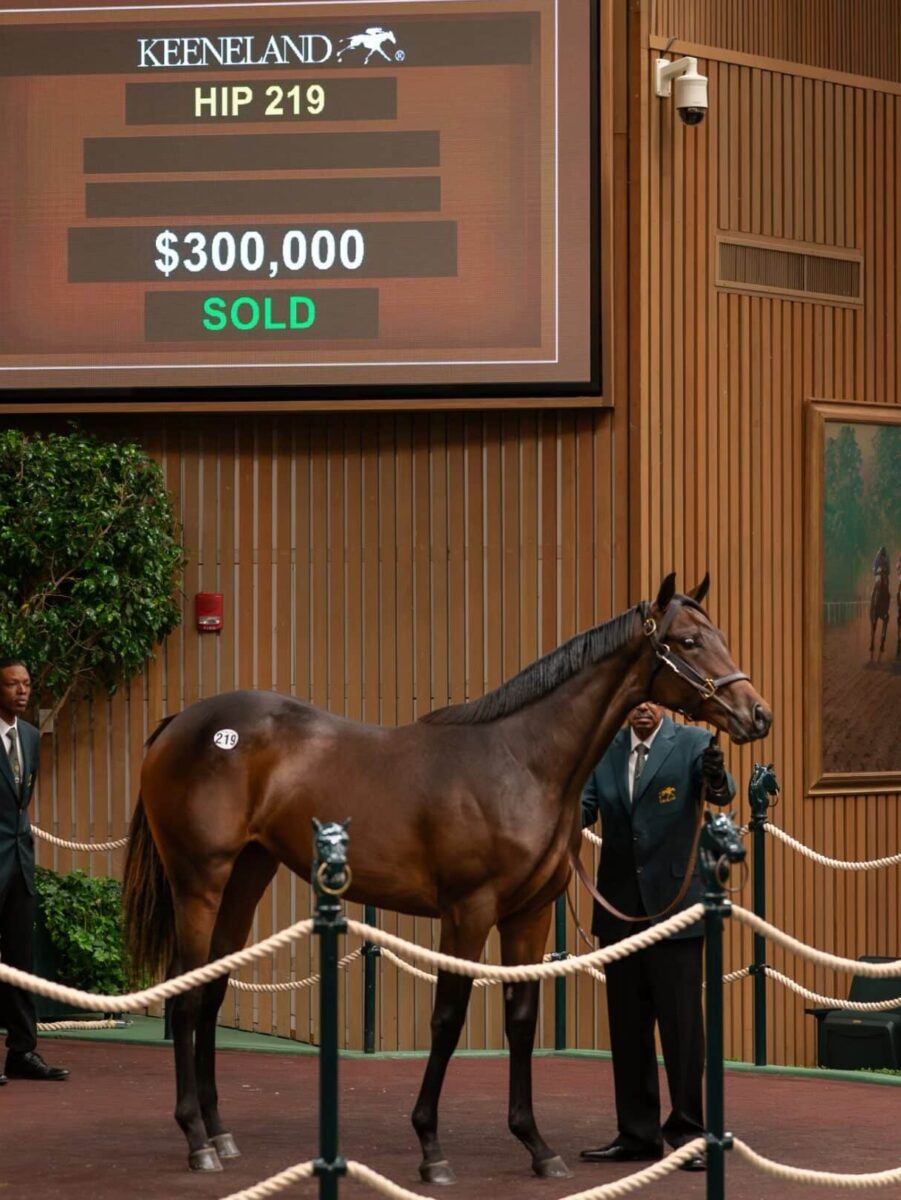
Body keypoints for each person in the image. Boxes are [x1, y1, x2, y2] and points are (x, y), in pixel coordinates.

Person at [579, 701, 734, 1174]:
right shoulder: (603, 751)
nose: (642, 708)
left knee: (683, 1031)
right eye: (634, 700)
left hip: (676, 911)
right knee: (627, 1030)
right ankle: (637, 1134)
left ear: (664, 702)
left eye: (651, 699)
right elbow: (581, 811)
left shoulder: (691, 743)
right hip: (620, 913)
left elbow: (720, 794)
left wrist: (717, 773)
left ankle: (689, 1133)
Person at [0, 657, 69, 1083]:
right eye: (12, 685)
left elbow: (21, 802)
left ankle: (22, 1052)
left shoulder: (29, 735)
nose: (22, 691)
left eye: (26, 684)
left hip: (20, 865)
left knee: (21, 962)